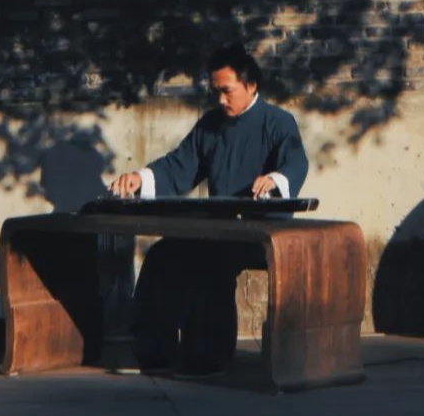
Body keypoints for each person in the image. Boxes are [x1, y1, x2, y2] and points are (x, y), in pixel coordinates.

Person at [108, 42, 309, 377]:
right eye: (216, 92)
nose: (220, 100)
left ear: (251, 85)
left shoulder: (278, 122)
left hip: (262, 231)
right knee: (162, 255)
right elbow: (179, 165)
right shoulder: (210, 125)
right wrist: (139, 179)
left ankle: (208, 358)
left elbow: (296, 163)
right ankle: (156, 354)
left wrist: (274, 180)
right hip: (220, 229)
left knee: (210, 260)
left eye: (227, 91)